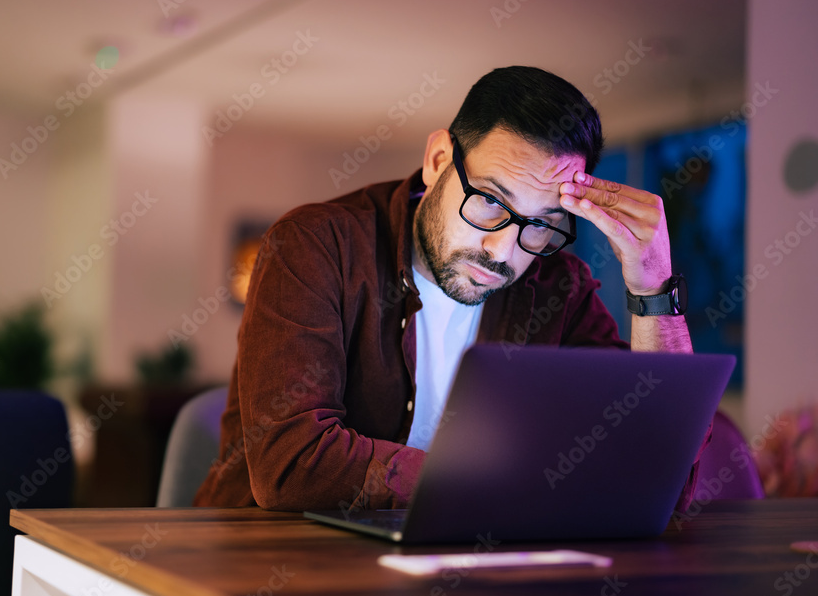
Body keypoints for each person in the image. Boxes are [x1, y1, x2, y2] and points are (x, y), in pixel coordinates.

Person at [194, 66, 700, 513]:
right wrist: (502, 482)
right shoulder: (318, 245)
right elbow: (290, 463)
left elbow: (662, 482)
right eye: (490, 201)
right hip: (265, 564)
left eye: (542, 224)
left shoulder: (557, 286)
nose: (504, 251)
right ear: (439, 159)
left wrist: (651, 284)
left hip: (460, 568)